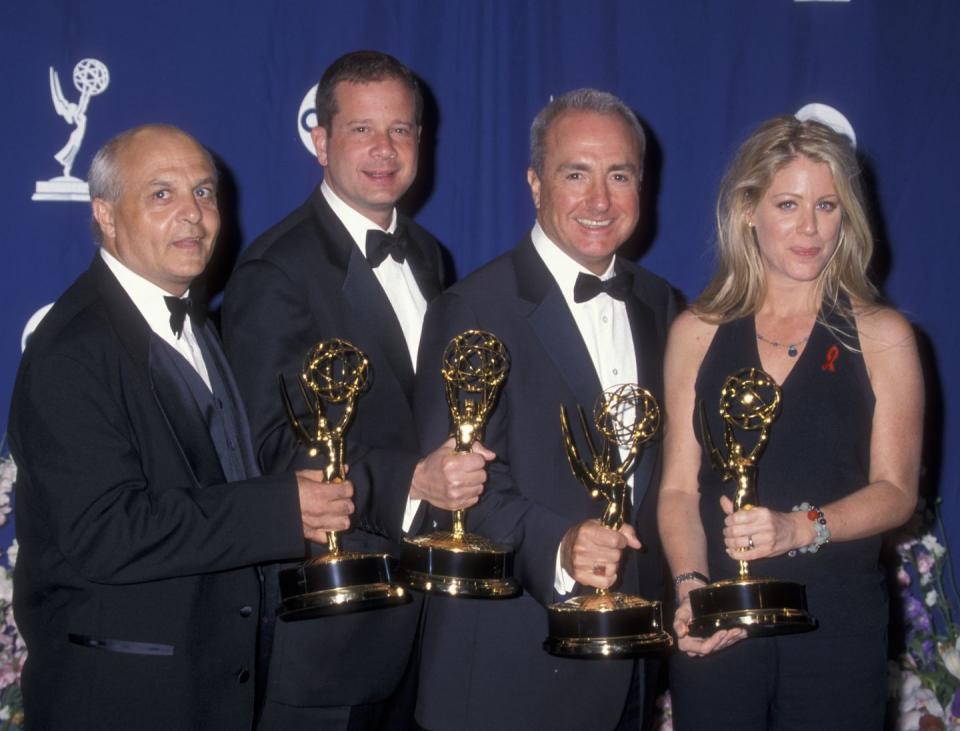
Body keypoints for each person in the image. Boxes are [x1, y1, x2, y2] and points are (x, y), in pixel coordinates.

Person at [8, 124, 352, 730]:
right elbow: (104, 531)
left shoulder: (195, 322)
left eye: (203, 192)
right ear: (106, 216)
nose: (193, 215)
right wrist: (278, 510)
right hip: (121, 700)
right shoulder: (73, 347)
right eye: (162, 195)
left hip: (209, 687)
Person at [221, 50, 490, 730]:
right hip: (332, 631)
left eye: (400, 130)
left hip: (429, 621)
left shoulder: (430, 256)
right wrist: (413, 481)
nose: (383, 149)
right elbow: (270, 448)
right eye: (362, 129)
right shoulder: (274, 271)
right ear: (321, 140)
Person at [412, 89, 677, 730]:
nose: (599, 200)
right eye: (575, 174)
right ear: (535, 184)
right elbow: (461, 487)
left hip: (635, 671)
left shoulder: (667, 307)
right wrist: (559, 545)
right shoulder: (472, 308)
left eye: (619, 175)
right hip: (510, 674)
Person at [658, 116, 923, 730]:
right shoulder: (695, 332)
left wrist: (799, 528)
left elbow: (896, 492)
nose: (809, 227)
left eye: (826, 205)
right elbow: (677, 488)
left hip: (837, 623)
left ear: (846, 216)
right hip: (720, 623)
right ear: (748, 209)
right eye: (788, 204)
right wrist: (692, 590)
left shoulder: (884, 335)